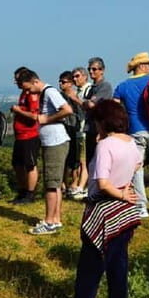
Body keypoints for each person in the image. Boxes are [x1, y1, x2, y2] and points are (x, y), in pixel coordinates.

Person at [46, 100, 141, 298]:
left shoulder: (105, 146)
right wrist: (125, 192)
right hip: (126, 211)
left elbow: (102, 182)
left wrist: (117, 190)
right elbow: (137, 166)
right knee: (118, 268)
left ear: (101, 121)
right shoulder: (131, 143)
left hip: (104, 211)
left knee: (89, 271)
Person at [113, 52, 149, 217]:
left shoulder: (122, 86)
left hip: (135, 131)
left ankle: (141, 206)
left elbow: (114, 108)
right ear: (142, 66)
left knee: (136, 169)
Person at [16, 69, 73, 235]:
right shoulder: (44, 93)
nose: (27, 92)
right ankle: (55, 219)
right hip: (51, 141)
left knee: (50, 183)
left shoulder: (49, 92)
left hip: (55, 141)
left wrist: (47, 119)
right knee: (55, 183)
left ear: (35, 81)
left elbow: (67, 109)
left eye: (27, 88)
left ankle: (49, 222)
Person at [74, 57, 113, 171]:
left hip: (99, 129)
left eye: (94, 69)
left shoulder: (105, 86)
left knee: (99, 162)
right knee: (90, 162)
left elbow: (91, 105)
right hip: (90, 128)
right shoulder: (92, 88)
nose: (91, 72)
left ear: (102, 70)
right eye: (90, 69)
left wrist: (77, 99)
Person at [9, 66, 41, 205]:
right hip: (20, 135)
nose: (18, 83)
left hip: (30, 135)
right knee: (17, 164)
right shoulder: (24, 93)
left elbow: (34, 116)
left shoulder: (32, 94)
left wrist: (18, 111)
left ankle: (30, 193)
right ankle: (22, 191)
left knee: (30, 165)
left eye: (19, 80)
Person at [65, 67, 92, 200]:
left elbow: (87, 108)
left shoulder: (88, 90)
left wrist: (74, 98)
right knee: (80, 159)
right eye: (73, 77)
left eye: (77, 76)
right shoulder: (79, 91)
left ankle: (81, 187)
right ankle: (79, 185)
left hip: (85, 128)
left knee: (84, 160)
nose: (75, 79)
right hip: (79, 129)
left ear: (85, 77)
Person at [59, 71, 83, 201]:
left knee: (75, 160)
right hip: (64, 129)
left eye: (63, 82)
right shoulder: (59, 96)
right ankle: (64, 185)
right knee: (65, 160)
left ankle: (73, 185)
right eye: (60, 81)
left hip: (75, 129)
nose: (60, 84)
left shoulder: (76, 96)